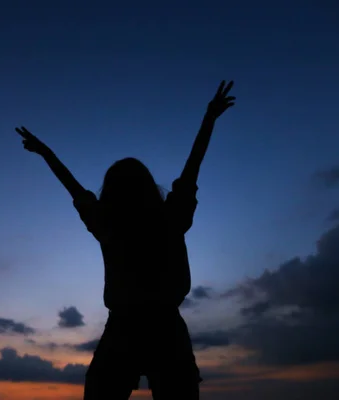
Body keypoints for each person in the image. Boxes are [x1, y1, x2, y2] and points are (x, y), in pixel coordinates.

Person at [15, 81, 235, 399]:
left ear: (111, 191)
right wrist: (209, 119)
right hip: (163, 328)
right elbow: (192, 169)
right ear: (148, 187)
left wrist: (44, 151)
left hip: (127, 328)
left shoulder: (110, 223)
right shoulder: (168, 219)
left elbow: (73, 187)